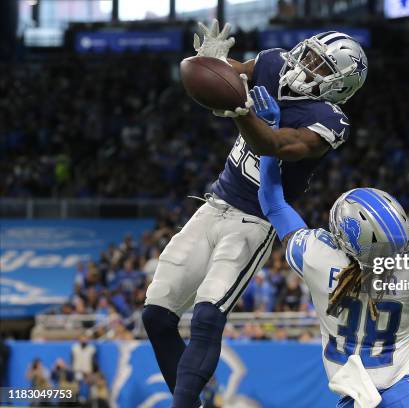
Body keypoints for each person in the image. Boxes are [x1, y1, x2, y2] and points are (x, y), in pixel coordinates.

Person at [142, 19, 368, 407]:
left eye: (319, 66)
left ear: (339, 85)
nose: (304, 66)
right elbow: (230, 75)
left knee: (208, 315)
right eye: (308, 55)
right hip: (214, 204)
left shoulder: (330, 121)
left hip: (255, 221)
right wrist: (213, 61)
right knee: (156, 316)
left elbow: (277, 145)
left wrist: (242, 111)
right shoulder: (274, 62)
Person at [255, 87, 409, 407]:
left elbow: (272, 202)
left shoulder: (316, 256)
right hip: (402, 388)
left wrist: (269, 136)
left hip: (352, 398)